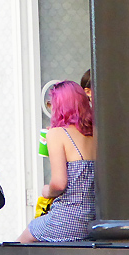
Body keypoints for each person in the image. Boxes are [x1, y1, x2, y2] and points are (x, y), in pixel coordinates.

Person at [16, 81, 96, 244]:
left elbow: (59, 184)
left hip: (67, 218)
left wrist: (47, 191)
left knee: (19, 245)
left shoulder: (56, 134)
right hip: (94, 220)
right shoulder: (95, 133)